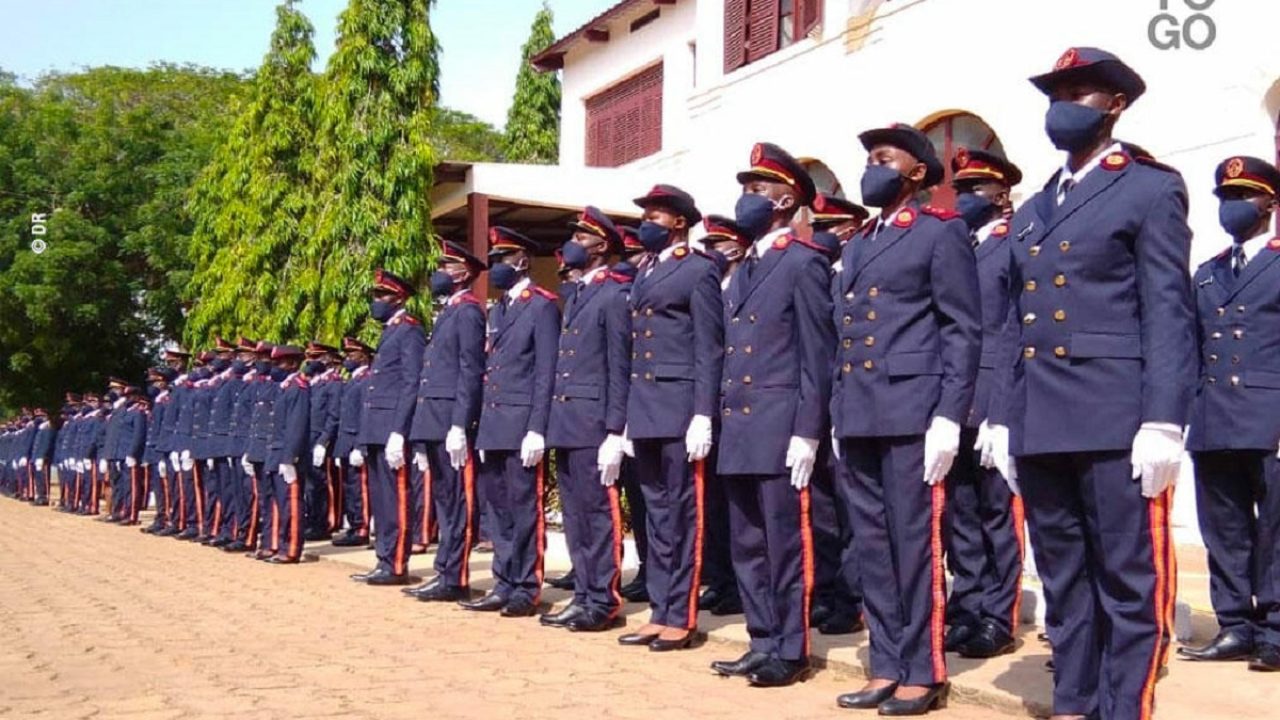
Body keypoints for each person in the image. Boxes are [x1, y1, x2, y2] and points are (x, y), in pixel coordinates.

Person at [986, 48, 1196, 720]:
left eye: (1080, 93)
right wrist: (1002, 416)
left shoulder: (1148, 186)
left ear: (1116, 105)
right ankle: (1075, 702)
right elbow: (1011, 323)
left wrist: (1164, 419)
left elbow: (1168, 310)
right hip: (1043, 417)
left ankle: (1125, 708)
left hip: (1115, 414)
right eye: (1057, 93)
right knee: (1063, 576)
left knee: (1129, 580)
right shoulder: (1037, 205)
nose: (1063, 105)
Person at [832, 123, 981, 714]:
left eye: (882, 157)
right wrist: (839, 414)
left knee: (913, 545)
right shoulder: (859, 241)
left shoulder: (939, 232)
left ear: (916, 171)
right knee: (871, 546)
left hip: (912, 410)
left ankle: (923, 669)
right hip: (862, 411)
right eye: (868, 157)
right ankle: (886, 662)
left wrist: (949, 416)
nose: (872, 166)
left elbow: (961, 328)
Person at [710, 143, 833, 687]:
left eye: (757, 190)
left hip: (780, 426)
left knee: (785, 544)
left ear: (785, 200)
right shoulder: (747, 266)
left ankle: (790, 646)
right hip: (741, 427)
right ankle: (762, 639)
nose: (746, 200)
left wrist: (809, 432)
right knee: (748, 544)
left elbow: (817, 355)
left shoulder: (803, 263)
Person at [1179, 155, 1280, 672]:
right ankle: (1235, 625)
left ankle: (1276, 631)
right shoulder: (1208, 271)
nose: (1232, 207)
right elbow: (1191, 348)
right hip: (1214, 418)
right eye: (1224, 198)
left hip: (1271, 419)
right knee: (1225, 530)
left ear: (1271, 202)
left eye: (1243, 196)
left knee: (1275, 532)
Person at [616, 184, 723, 652]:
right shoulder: (645, 272)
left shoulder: (698, 271)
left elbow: (708, 347)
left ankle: (681, 614)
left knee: (682, 515)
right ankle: (659, 608)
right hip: (645, 408)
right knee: (655, 517)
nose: (647, 224)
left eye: (655, 216)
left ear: (679, 223)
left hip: (679, 407)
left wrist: (703, 413)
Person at [943, 148, 1026, 659]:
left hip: (997, 398)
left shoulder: (1013, 243)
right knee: (960, 513)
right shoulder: (960, 247)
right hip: (958, 398)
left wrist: (1004, 411)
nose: (967, 197)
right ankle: (967, 606)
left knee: (999, 512)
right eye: (963, 188)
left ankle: (999, 615)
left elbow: (1013, 330)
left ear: (1001, 195)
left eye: (976, 189)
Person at [541, 207, 631, 632]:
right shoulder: (576, 294)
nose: (573, 242)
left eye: (581, 236)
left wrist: (615, 429)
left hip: (595, 423)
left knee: (598, 515)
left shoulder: (614, 294)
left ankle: (603, 600)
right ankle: (583, 592)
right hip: (568, 420)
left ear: (600, 246)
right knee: (576, 516)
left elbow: (619, 365)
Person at [463, 227, 559, 617]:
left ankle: (526, 586)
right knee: (497, 511)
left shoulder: (541, 305)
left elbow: (545, 371)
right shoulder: (498, 308)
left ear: (522, 260)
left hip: (522, 425)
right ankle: (503, 582)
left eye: (505, 259)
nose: (498, 267)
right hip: (494, 423)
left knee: (523, 509)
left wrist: (538, 426)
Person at [403, 241, 486, 602]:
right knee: (443, 500)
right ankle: (445, 571)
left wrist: (459, 423)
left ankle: (456, 576)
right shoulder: (449, 311)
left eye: (445, 266)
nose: (438, 272)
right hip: (434, 419)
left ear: (463, 273)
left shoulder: (468, 311)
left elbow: (470, 370)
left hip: (450, 419)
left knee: (457, 502)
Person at [807, 192, 870, 637]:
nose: (823, 236)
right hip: (823, 406)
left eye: (832, 228)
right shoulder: (824, 274)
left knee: (853, 514)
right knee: (824, 512)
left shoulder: (856, 272)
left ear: (851, 228)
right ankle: (828, 592)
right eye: (819, 228)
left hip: (853, 404)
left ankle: (852, 599)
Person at [350, 269, 426, 586]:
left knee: (396, 498)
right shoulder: (389, 331)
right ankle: (384, 558)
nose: (377, 302)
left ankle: (396, 563)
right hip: (376, 427)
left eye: (382, 296)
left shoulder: (409, 330)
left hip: (392, 428)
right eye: (376, 296)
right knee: (381, 501)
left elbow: (411, 383)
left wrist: (399, 430)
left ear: (399, 298)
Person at [695, 214, 749, 618]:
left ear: (735, 248)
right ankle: (722, 579)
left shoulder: (744, 284)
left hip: (744, 411)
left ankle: (734, 587)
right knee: (715, 506)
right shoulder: (713, 288)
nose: (711, 253)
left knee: (738, 511)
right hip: (716, 410)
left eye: (717, 245)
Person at [263, 344, 311, 564]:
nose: (275, 368)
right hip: (275, 452)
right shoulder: (283, 387)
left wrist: (290, 458)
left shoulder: (297, 387)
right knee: (277, 503)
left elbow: (296, 425)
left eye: (279, 363)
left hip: (287, 455)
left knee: (290, 503)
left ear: (292, 364)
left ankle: (291, 548)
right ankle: (277, 544)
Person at [333, 337, 374, 547]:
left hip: (357, 440)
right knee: (350, 487)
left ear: (364, 357)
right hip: (346, 440)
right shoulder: (352, 380)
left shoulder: (367, 379)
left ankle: (362, 528)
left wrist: (360, 446)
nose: (348, 359)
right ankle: (354, 524)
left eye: (352, 355)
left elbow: (365, 415)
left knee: (360, 488)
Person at [304, 342, 342, 542]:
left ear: (326, 359)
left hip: (322, 440)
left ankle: (326, 522)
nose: (310, 362)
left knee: (324, 483)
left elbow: (333, 415)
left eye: (315, 358)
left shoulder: (333, 383)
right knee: (311, 485)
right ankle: (312, 521)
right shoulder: (314, 383)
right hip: (309, 439)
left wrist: (324, 441)